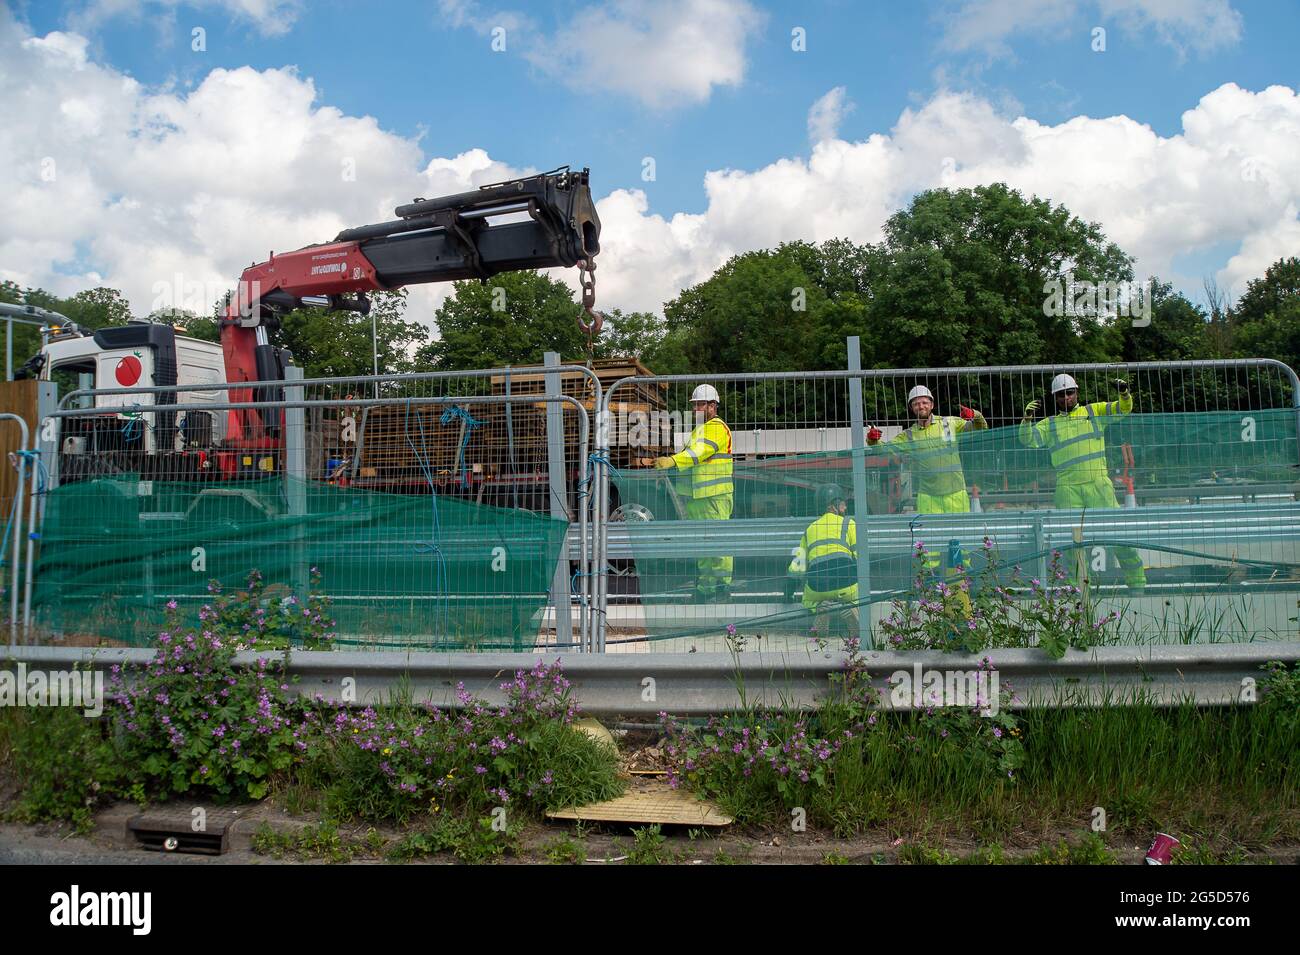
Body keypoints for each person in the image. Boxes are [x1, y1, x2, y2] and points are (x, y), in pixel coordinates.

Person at [1018, 373, 1146, 591]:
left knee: (1117, 537)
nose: (1066, 397)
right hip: (1068, 489)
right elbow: (1028, 440)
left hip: (1098, 485)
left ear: (1077, 392)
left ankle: (1137, 584)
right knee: (1073, 546)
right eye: (1061, 394)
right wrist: (1027, 420)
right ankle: (1079, 592)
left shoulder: (1093, 412)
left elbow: (1123, 409)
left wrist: (1124, 393)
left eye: (1070, 392)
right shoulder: (1049, 424)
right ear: (1055, 398)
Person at [867, 384, 987, 571]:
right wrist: (873, 440)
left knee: (959, 538)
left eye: (924, 402)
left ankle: (962, 577)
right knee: (929, 542)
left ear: (932, 404)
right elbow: (884, 450)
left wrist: (975, 415)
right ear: (912, 408)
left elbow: (981, 429)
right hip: (928, 496)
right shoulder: (909, 435)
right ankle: (930, 581)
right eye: (916, 404)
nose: (920, 406)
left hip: (956, 492)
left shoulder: (949, 423)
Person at [655, 384, 734, 601]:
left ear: (713, 406)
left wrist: (672, 461)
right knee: (703, 545)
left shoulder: (717, 427)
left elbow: (698, 453)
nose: (696, 409)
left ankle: (721, 587)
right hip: (698, 498)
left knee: (718, 544)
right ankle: (706, 587)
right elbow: (693, 457)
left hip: (713, 496)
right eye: (695, 405)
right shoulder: (700, 429)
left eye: (701, 404)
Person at [788, 484, 858, 633]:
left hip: (818, 588)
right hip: (846, 586)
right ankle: (850, 606)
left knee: (807, 600)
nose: (845, 508)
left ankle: (820, 607)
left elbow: (796, 568)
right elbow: (861, 558)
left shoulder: (809, 530)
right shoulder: (849, 524)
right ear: (833, 506)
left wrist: (787, 592)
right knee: (858, 594)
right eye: (843, 505)